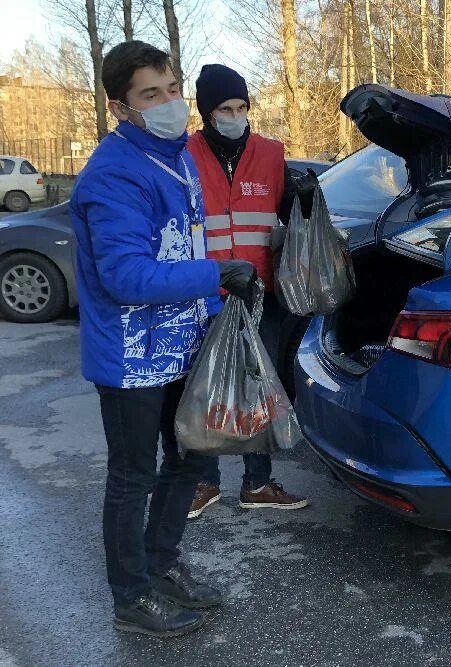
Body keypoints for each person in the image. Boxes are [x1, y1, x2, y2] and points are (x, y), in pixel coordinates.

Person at [71, 41, 259, 638]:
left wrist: (218, 301)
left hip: (183, 343)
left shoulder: (176, 158)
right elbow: (125, 276)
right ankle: (131, 595)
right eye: (150, 94)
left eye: (172, 88)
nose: (170, 102)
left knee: (192, 460)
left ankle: (162, 566)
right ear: (122, 107)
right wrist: (218, 272)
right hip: (130, 357)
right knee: (133, 476)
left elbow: (187, 245)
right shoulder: (112, 173)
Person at [185, 64, 311, 519]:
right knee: (205, 387)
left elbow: (286, 219)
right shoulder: (185, 155)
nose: (236, 116)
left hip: (261, 294)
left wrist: (306, 197)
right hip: (205, 292)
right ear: (206, 112)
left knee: (260, 387)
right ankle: (201, 481)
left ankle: (257, 482)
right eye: (225, 108)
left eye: (242, 107)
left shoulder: (270, 154)